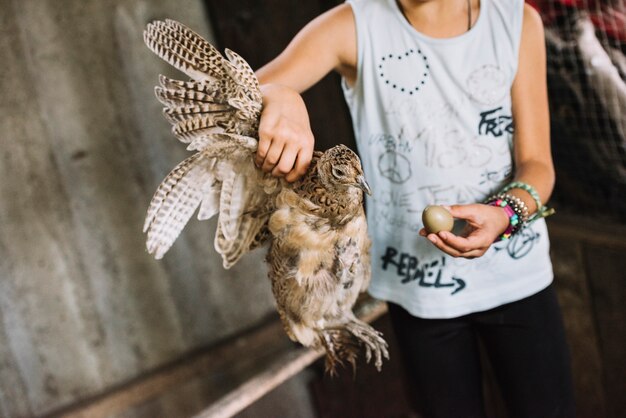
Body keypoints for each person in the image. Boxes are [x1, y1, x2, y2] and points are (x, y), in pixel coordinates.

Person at [254, 0, 575, 416]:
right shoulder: (352, 26)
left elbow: (539, 165)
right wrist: (283, 96)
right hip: (420, 295)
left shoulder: (515, 21)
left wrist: (504, 213)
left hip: (517, 278)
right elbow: (244, 91)